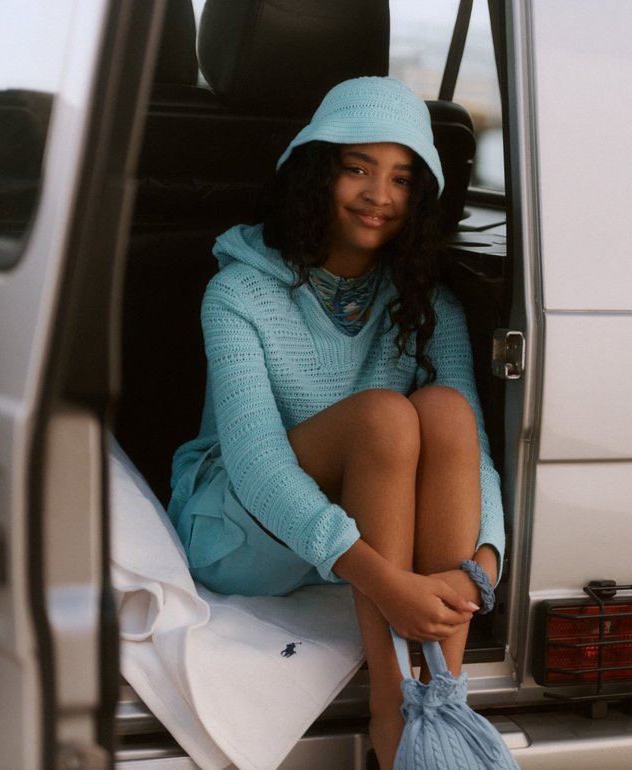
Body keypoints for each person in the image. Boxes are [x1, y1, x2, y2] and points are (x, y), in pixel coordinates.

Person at [167, 76, 505, 769]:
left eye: (402, 178)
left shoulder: (428, 300)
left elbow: (472, 450)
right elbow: (258, 466)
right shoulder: (238, 290)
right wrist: (387, 584)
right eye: (358, 168)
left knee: (445, 409)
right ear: (318, 171)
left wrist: (482, 569)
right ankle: (392, 707)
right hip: (242, 529)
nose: (380, 195)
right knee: (384, 417)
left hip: (359, 539)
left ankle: (441, 704)